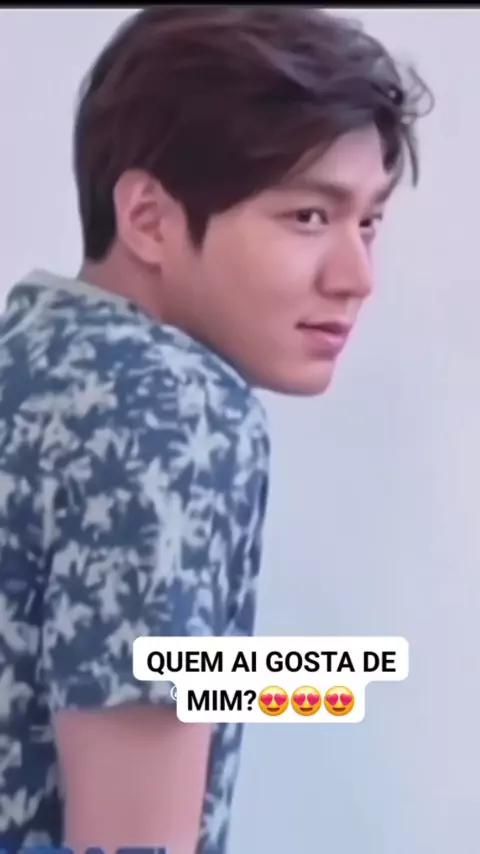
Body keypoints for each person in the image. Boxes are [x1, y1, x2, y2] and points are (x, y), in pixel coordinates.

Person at [0, 6, 432, 854]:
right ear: (149, 219)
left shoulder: (31, 351)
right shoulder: (173, 405)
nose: (356, 276)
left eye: (368, 222)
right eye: (308, 217)